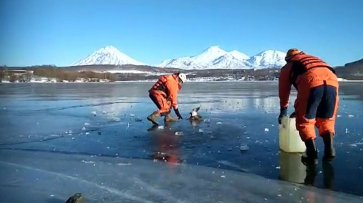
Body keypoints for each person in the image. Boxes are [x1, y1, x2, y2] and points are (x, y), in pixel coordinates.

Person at [278, 49, 339, 165]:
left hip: (311, 82)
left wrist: (283, 109)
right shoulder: (314, 59)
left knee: (305, 121)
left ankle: (311, 154)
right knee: (326, 119)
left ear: (287, 59)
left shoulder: (290, 66)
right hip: (333, 82)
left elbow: (283, 90)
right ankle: (330, 149)